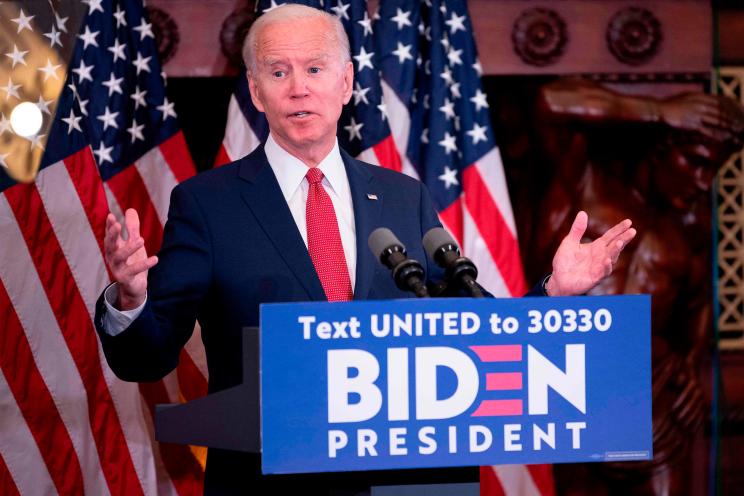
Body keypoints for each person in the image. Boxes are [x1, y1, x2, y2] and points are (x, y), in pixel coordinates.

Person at [94, 6, 636, 494]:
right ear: (256, 92)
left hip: (402, 481)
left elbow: (476, 331)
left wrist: (554, 292)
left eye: (314, 69)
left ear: (346, 81)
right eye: (278, 72)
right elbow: (150, 355)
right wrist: (130, 297)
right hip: (267, 480)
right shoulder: (207, 204)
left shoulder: (404, 197)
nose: (298, 88)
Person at [521, 77, 744, 495]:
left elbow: (697, 308)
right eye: (695, 161)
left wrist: (690, 366)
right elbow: (550, 100)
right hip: (564, 381)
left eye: (713, 170)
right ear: (663, 146)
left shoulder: (692, 224)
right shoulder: (584, 179)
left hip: (651, 396)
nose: (703, 182)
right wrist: (659, 110)